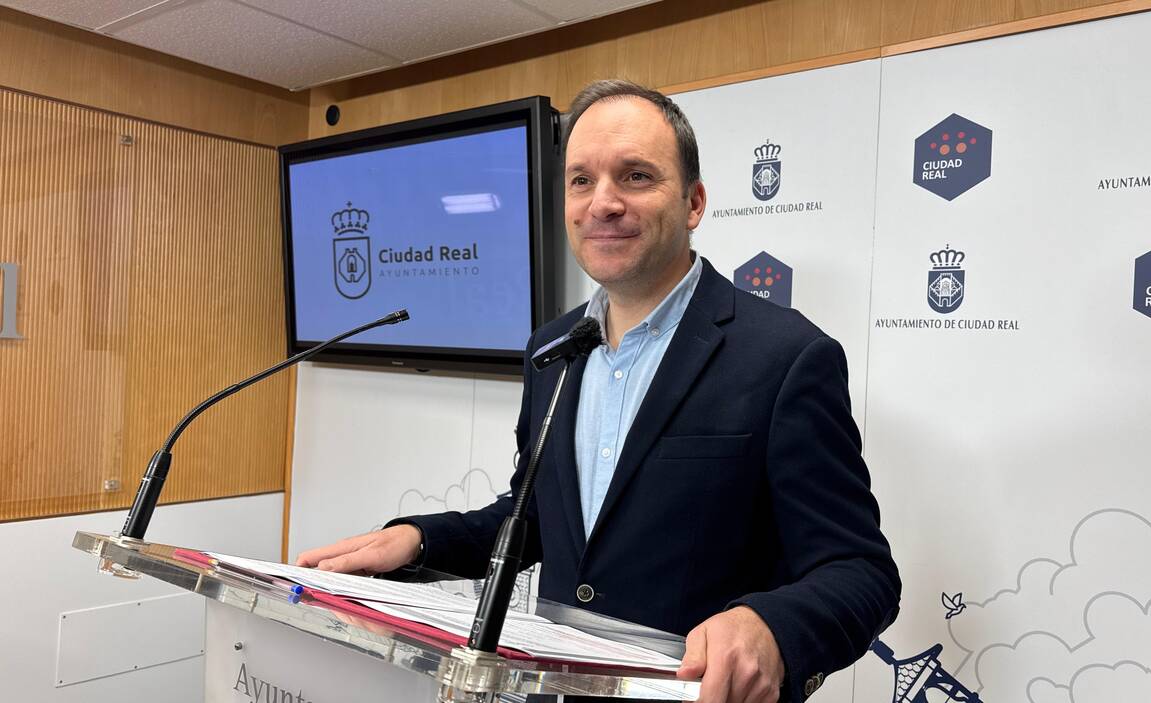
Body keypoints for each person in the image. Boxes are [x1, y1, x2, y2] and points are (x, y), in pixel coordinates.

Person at [298, 79, 901, 703]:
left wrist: (769, 626)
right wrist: (419, 540)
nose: (602, 203)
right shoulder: (551, 349)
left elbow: (861, 571)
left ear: (694, 203)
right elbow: (536, 516)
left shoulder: (786, 356)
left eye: (636, 176)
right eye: (581, 180)